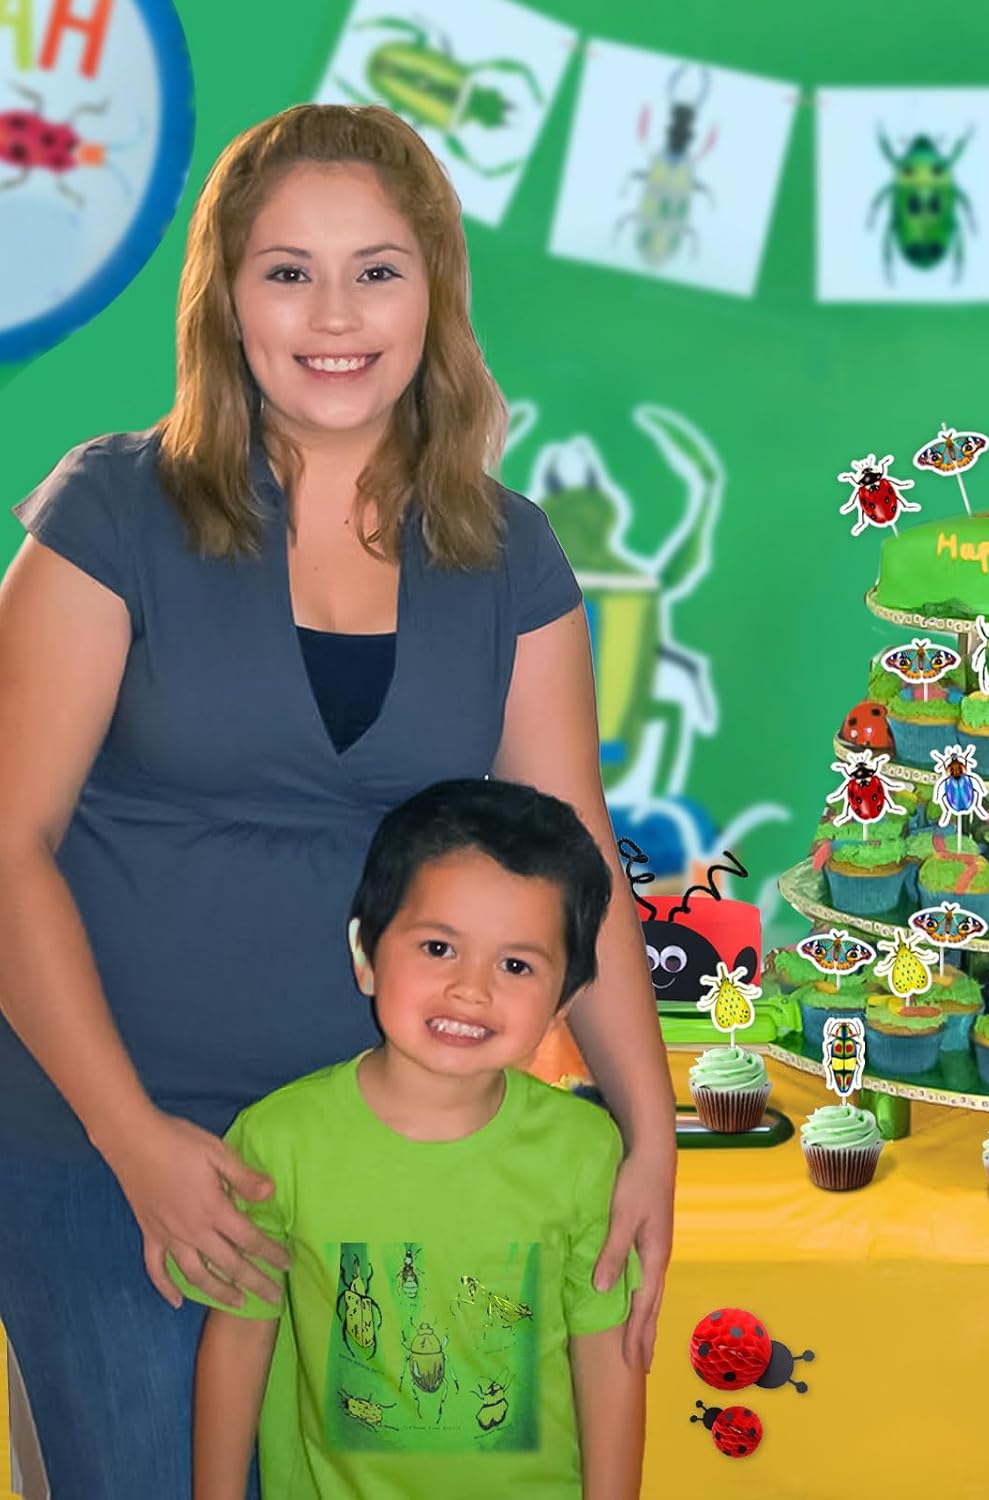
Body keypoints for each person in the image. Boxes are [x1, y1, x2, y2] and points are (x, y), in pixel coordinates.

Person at [0, 104, 674, 1500]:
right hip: (110, 1130)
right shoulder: (112, 512)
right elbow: (7, 848)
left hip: (395, 1150)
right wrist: (134, 1142)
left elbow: (579, 863)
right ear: (225, 297)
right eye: (287, 271)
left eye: (376, 270)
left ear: (435, 292)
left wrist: (649, 1138)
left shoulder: (508, 551)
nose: (334, 315)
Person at [184, 777, 643, 1500]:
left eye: (516, 965)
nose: (471, 989)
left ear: (566, 1000)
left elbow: (607, 1356)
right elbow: (239, 1338)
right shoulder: (278, 1142)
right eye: (438, 947)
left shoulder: (584, 1153)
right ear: (366, 954)